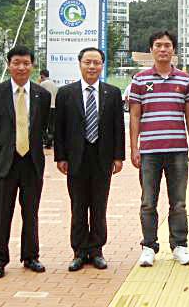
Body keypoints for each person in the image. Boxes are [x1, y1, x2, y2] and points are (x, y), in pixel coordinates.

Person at [129, 31, 189, 267]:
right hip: (149, 151)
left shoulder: (185, 80)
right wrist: (134, 147)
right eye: (158, 45)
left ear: (173, 50)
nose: (163, 49)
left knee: (178, 202)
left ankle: (179, 246)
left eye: (167, 45)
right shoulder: (139, 80)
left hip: (177, 150)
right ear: (151, 50)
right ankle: (149, 247)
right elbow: (135, 116)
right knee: (148, 202)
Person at [54, 47, 125, 272]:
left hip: (102, 158)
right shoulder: (66, 93)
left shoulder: (112, 93)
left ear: (102, 65)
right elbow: (59, 128)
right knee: (78, 206)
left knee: (99, 206)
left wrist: (118, 156)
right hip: (76, 158)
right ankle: (79, 251)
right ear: (80, 64)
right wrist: (60, 157)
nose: (92, 66)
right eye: (88, 62)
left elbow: (118, 127)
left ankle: (96, 250)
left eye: (96, 62)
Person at [0, 46, 51, 279]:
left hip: (32, 162)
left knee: (31, 212)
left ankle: (31, 256)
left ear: (32, 65)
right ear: (8, 65)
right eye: (16, 63)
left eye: (26, 63)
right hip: (5, 163)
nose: (21, 67)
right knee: (1, 213)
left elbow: (43, 126)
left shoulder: (43, 95)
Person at [39, 69, 58, 149]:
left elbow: (38, 94)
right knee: (51, 126)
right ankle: (50, 143)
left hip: (46, 107)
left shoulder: (43, 83)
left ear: (42, 75)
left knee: (43, 125)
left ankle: (46, 141)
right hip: (54, 107)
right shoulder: (54, 84)